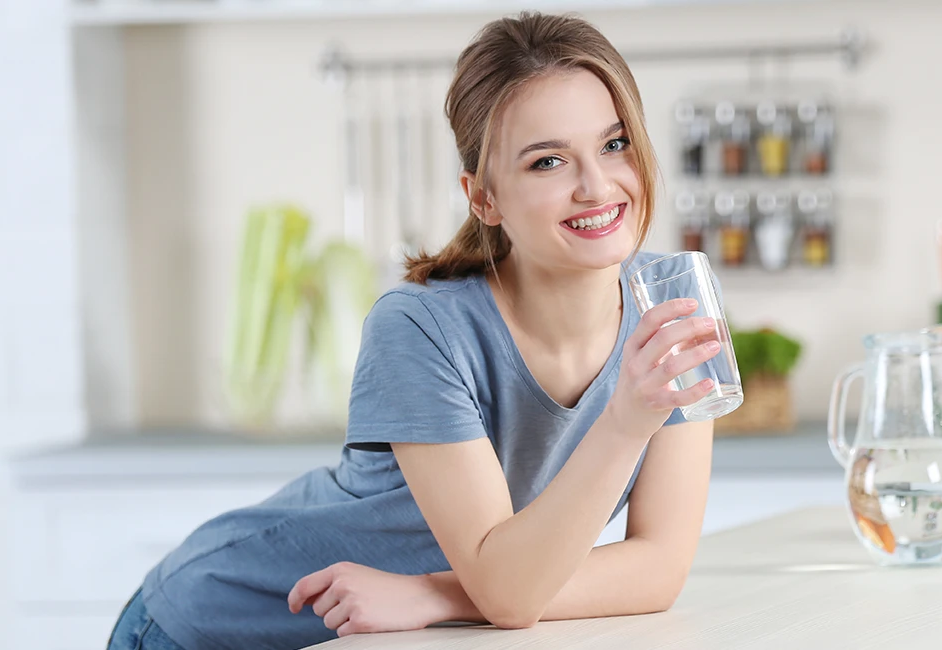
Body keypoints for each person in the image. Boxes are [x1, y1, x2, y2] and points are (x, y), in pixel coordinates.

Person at [106, 11, 725, 650]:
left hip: (400, 632)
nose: (597, 186)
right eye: (547, 162)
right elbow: (509, 595)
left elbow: (658, 568)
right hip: (220, 624)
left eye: (614, 144)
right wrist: (627, 421)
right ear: (484, 198)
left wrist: (433, 594)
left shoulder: (673, 303)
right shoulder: (419, 328)